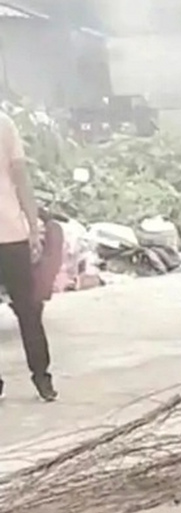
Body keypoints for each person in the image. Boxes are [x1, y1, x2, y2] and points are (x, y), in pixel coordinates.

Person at [0, 110, 57, 402]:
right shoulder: (4, 122)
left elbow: (21, 178)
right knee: (28, 310)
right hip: (11, 234)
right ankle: (42, 378)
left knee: (28, 310)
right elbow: (21, 178)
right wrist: (33, 227)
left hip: (10, 233)